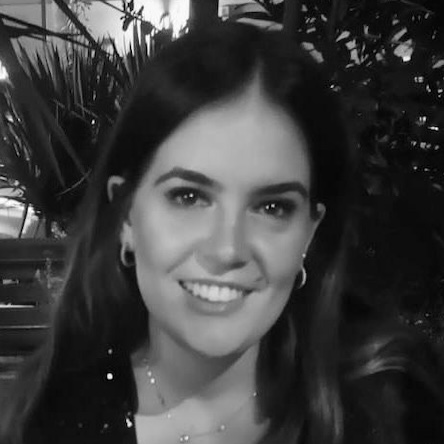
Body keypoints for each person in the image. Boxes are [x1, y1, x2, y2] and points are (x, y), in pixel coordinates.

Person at [1, 22, 444, 444]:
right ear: (127, 216)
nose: (227, 248)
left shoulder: (396, 407)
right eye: (188, 197)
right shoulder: (47, 421)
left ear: (310, 232)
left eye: (272, 207)